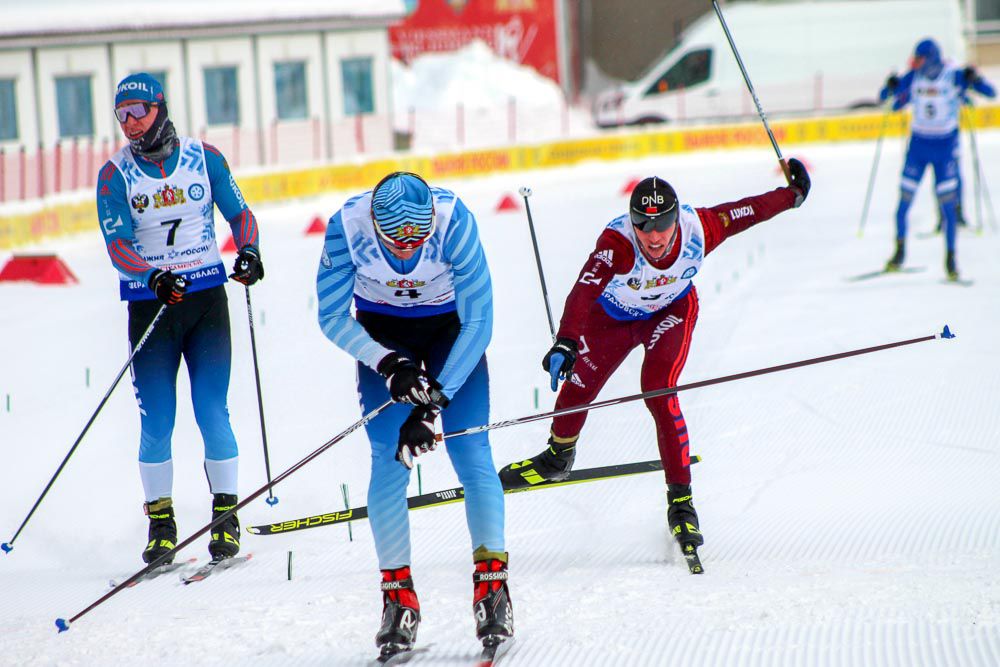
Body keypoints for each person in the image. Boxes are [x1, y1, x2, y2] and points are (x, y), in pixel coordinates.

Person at [498, 159, 811, 566]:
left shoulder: (700, 227)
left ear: (676, 219)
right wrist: (566, 342)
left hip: (670, 312)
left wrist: (792, 195)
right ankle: (558, 455)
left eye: (662, 226)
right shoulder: (618, 243)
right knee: (579, 385)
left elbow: (748, 210)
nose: (654, 236)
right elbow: (584, 289)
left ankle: (681, 503)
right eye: (644, 227)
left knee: (659, 390)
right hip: (612, 318)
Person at [316, 172, 512, 657]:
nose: (406, 252)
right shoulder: (349, 224)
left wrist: (434, 402)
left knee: (470, 448)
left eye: (416, 240)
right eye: (394, 242)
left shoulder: (454, 221)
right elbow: (331, 316)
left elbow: (480, 322)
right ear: (376, 227)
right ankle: (398, 599)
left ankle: (492, 589)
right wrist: (389, 364)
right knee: (388, 456)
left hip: (452, 329)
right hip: (383, 333)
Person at [96, 73, 264, 565]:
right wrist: (153, 279)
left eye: (138, 112)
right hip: (153, 307)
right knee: (157, 422)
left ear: (160, 108)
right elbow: (118, 245)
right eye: (121, 115)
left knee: (213, 410)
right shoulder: (115, 174)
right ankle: (162, 523)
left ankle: (225, 516)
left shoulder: (203, 157)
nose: (129, 124)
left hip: (206, 300)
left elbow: (240, 214)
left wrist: (249, 252)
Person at [879, 38, 995, 279]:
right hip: (918, 148)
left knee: (948, 207)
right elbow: (890, 103)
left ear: (931, 59)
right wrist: (890, 87)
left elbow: (991, 93)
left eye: (920, 60)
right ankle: (899, 253)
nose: (916, 64)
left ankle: (951, 260)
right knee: (903, 203)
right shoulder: (913, 77)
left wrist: (976, 79)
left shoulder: (954, 75)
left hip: (944, 149)